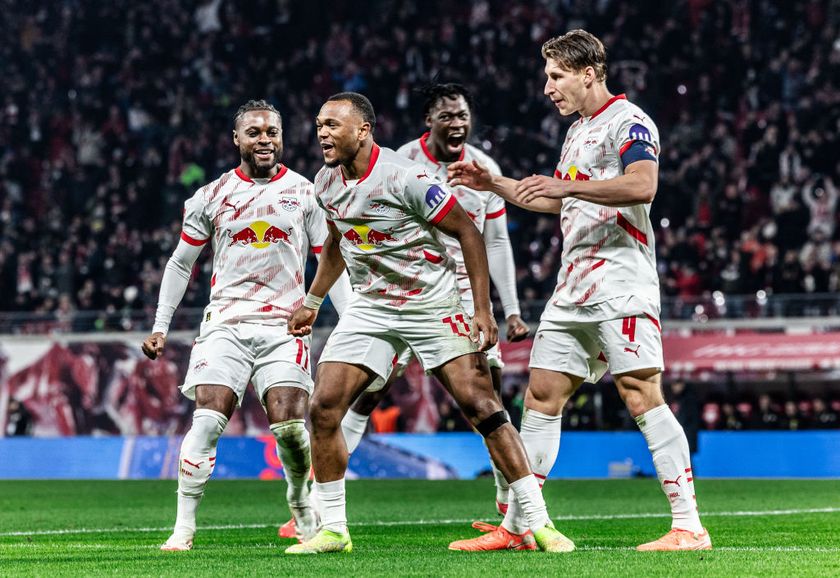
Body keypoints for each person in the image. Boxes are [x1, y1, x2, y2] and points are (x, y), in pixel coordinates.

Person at [448, 29, 711, 551]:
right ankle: (523, 525)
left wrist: (565, 185)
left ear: (588, 73)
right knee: (541, 395)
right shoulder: (578, 132)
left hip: (620, 281)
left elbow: (643, 185)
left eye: (555, 76)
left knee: (641, 395)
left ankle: (688, 526)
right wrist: (494, 184)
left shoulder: (629, 121)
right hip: (573, 286)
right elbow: (559, 200)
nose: (547, 88)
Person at [283, 91, 573, 554]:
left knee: (482, 405)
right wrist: (313, 300)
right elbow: (337, 241)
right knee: (323, 407)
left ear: (363, 130)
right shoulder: (325, 182)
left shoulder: (406, 177)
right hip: (372, 306)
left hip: (432, 302)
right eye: (319, 124)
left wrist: (482, 309)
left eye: (332, 125)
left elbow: (468, 232)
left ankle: (537, 522)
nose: (321, 133)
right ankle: (333, 529)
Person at [141, 99, 352, 551]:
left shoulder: (307, 193)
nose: (264, 140)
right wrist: (161, 325)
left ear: (282, 138)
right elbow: (181, 264)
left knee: (292, 431)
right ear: (236, 139)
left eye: (271, 132)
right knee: (206, 422)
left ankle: (298, 499)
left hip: (285, 328)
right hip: (225, 325)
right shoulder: (211, 195)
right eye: (254, 133)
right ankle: (183, 529)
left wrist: (352, 323)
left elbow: (328, 262)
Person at [342, 82, 528, 511]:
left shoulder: (483, 167)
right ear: (429, 120)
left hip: (463, 291)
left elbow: (496, 244)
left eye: (463, 115)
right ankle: (322, 496)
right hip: (410, 287)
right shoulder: (400, 160)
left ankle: (506, 502)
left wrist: (511, 310)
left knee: (489, 393)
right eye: (447, 116)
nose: (457, 123)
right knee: (371, 386)